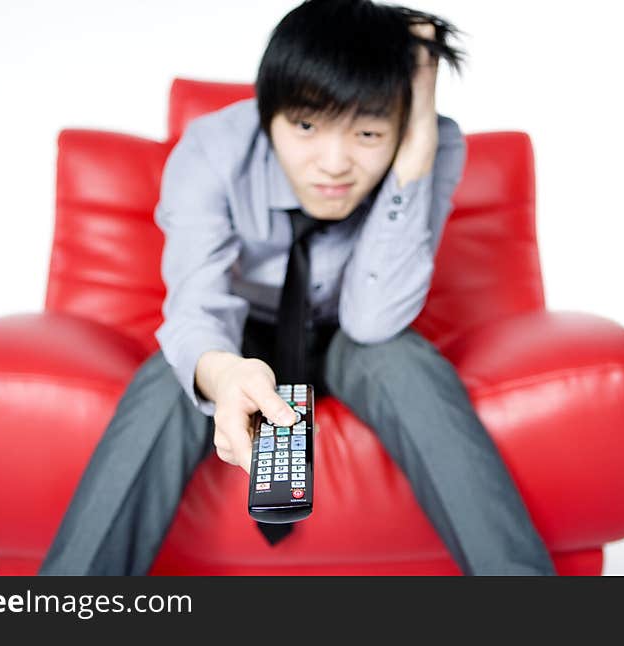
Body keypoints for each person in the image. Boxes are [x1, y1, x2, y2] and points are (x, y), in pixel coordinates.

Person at [38, 0, 556, 576]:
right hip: (242, 333)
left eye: (367, 131)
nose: (333, 164)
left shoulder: (429, 145)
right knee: (172, 374)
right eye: (306, 126)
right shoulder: (212, 149)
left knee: (402, 360)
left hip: (353, 335)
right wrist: (226, 373)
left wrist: (415, 150)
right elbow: (196, 308)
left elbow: (373, 319)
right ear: (268, 114)